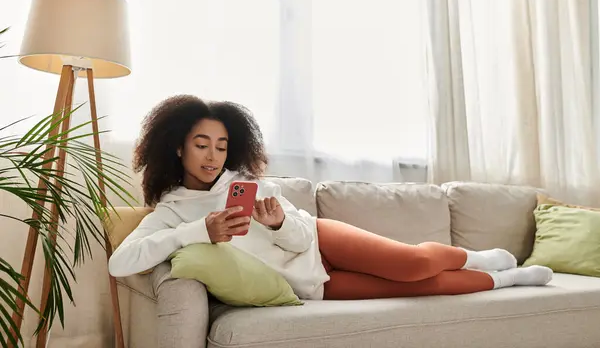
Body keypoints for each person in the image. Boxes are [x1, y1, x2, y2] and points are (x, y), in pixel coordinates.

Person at [108, 95, 553, 302]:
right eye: (201, 144)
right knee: (422, 289)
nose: (212, 155)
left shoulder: (245, 186)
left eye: (221, 146)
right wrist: (195, 232)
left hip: (319, 240)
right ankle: (508, 281)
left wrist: (279, 222)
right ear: (177, 146)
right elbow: (120, 264)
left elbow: (300, 240)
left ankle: (477, 259)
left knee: (413, 264)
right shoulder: (170, 212)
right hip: (309, 285)